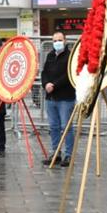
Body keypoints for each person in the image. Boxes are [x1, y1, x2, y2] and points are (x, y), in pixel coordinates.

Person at [41, 31, 77, 167]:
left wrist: (54, 85)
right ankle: (55, 153)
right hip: (51, 98)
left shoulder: (70, 56)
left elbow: (69, 75)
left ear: (65, 40)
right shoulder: (50, 55)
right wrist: (45, 84)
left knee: (66, 127)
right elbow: (44, 72)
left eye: (60, 40)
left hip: (65, 98)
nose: (57, 43)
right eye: (55, 40)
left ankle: (68, 155)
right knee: (54, 127)